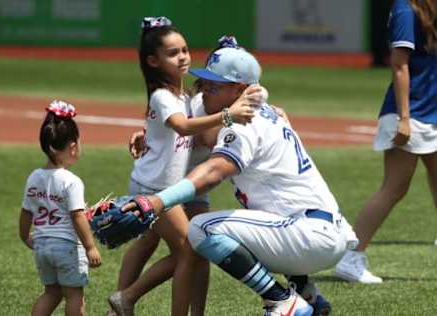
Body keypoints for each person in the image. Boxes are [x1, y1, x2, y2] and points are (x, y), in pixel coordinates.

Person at [122, 45, 356, 316]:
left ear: (239, 89)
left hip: (308, 234)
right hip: (319, 231)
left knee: (201, 228)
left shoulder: (244, 124)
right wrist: (152, 136)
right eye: (205, 83)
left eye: (214, 85)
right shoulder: (260, 109)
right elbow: (205, 134)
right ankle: (306, 294)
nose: (205, 90)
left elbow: (214, 171)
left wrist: (157, 201)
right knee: (258, 217)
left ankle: (281, 299)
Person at [107, 18, 258, 316]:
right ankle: (125, 299)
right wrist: (229, 115)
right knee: (191, 248)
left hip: (177, 186)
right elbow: (185, 127)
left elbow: (172, 126)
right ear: (154, 61)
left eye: (185, 50)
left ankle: (124, 304)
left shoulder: (184, 95)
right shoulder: (171, 96)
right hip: (156, 186)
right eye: (174, 52)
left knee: (184, 246)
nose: (183, 57)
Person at [334, 0, 437, 284]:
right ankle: (351, 258)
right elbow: (399, 64)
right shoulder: (406, 8)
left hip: (432, 114)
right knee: (394, 188)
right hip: (410, 114)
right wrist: (404, 118)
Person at [19, 100, 102, 316]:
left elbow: (26, 211)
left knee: (51, 293)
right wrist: (90, 246)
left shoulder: (34, 177)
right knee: (74, 295)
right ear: (73, 146)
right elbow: (77, 216)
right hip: (67, 247)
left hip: (42, 246)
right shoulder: (71, 181)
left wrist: (24, 236)